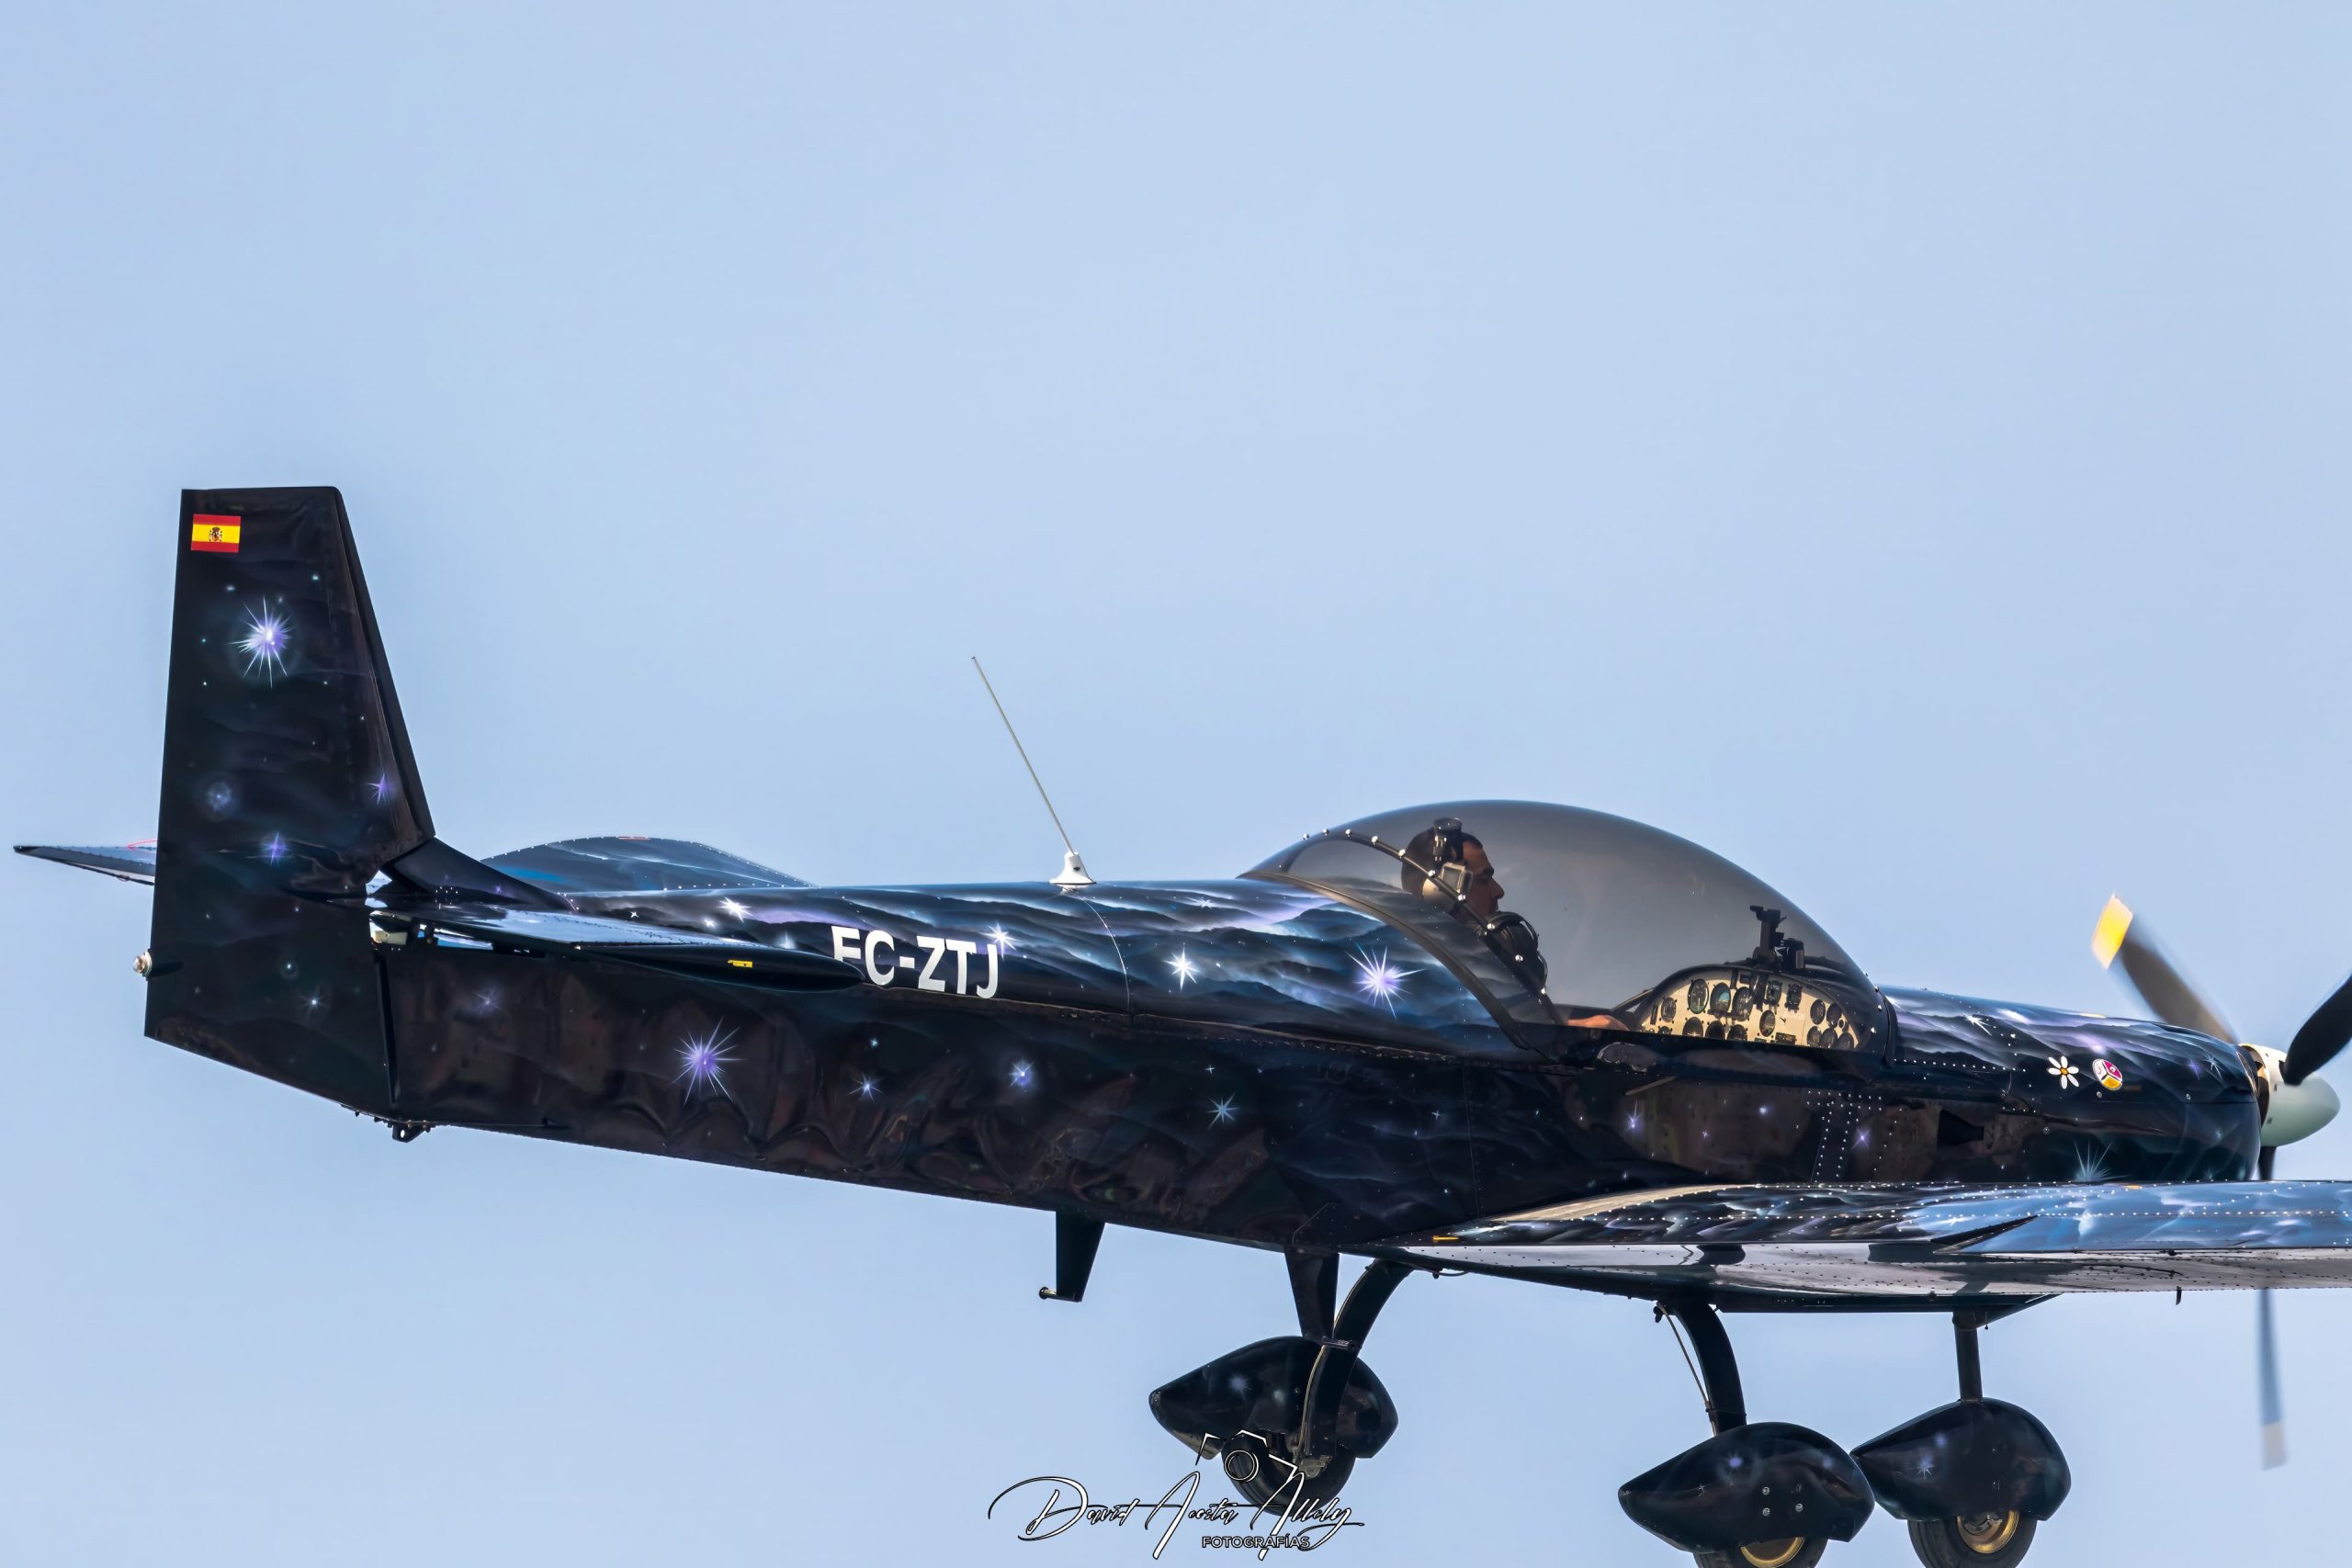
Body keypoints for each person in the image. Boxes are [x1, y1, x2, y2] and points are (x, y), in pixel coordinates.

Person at [1400, 818, 1617, 1030]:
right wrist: (1572, 1031)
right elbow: (1458, 1029)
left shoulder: (1479, 979)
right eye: (1484, 880)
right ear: (1438, 894)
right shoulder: (1407, 975)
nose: (1498, 891)